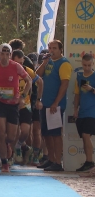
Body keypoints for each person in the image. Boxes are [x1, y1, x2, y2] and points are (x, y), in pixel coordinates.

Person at [0, 43, 32, 172]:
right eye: (3, 53)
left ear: (10, 55)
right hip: (0, 103)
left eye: (7, 54)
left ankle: (8, 146)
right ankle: (4, 161)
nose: (5, 56)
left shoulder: (16, 66)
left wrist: (23, 96)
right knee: (0, 133)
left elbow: (29, 80)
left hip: (13, 104)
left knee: (11, 136)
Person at [36, 40, 72, 171]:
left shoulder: (64, 63)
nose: (52, 50)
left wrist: (56, 102)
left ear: (60, 49)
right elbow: (37, 76)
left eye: (54, 48)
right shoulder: (49, 62)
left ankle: (58, 161)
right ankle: (50, 159)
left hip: (55, 105)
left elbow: (65, 84)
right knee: (46, 133)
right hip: (45, 103)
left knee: (55, 133)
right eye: (50, 48)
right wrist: (44, 63)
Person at [11, 50, 43, 165]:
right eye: (16, 62)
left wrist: (38, 100)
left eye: (21, 62)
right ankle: (11, 156)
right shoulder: (8, 69)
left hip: (25, 104)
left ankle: (20, 145)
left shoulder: (27, 71)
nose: (19, 65)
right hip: (11, 104)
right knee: (12, 132)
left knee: (25, 131)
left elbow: (40, 82)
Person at [73, 53, 95, 171]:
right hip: (82, 112)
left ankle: (90, 161)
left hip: (92, 112)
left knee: (86, 135)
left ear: (92, 64)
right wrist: (75, 109)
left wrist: (91, 89)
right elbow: (77, 94)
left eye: (89, 65)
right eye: (85, 65)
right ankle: (88, 161)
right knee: (84, 137)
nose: (87, 67)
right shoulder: (79, 77)